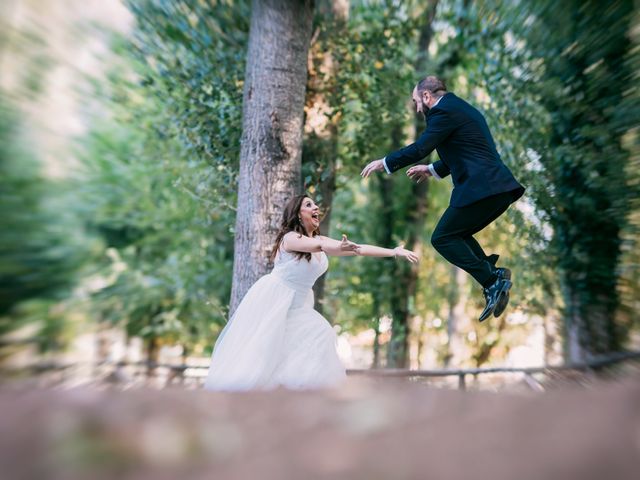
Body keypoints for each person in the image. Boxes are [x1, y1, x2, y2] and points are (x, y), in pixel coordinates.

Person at [204, 194, 419, 391]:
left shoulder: (320, 241)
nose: (316, 207)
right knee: (266, 351)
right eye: (309, 205)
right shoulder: (290, 238)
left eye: (315, 204)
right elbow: (319, 246)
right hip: (276, 299)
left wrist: (393, 252)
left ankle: (302, 393)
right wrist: (335, 246)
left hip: (298, 304)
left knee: (315, 337)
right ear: (298, 214)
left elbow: (357, 248)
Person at [361, 76, 525, 322]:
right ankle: (493, 276)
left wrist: (384, 162)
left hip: (484, 188)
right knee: (456, 234)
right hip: (495, 189)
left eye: (416, 102)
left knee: (442, 238)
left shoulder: (443, 111)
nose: (417, 108)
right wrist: (431, 169)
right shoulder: (459, 108)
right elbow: (464, 150)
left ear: (427, 97)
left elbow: (419, 148)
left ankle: (493, 279)